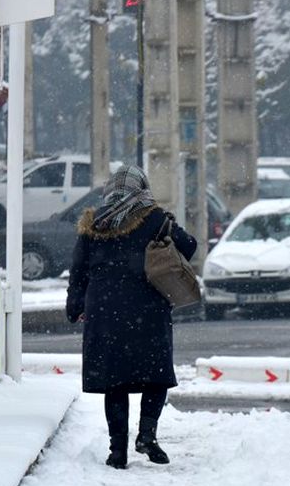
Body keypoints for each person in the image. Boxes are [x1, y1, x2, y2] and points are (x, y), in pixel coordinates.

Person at [65, 166, 197, 469]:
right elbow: (188, 247)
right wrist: (166, 227)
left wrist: (77, 306)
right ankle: (147, 435)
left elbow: (78, 269)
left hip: (104, 312)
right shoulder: (153, 218)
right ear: (142, 189)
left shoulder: (93, 222)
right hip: (148, 309)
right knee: (156, 375)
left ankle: (117, 451)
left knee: (115, 383)